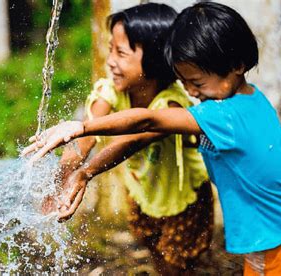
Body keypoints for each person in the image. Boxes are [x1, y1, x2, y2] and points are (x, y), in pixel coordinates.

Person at [23, 2, 281, 275]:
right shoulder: (253, 98)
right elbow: (278, 137)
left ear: (238, 64)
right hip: (276, 228)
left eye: (196, 83)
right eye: (184, 81)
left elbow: (147, 119)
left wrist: (81, 128)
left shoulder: (222, 114)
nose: (192, 93)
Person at [37, 3, 213, 275]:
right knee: (153, 247)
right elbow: (86, 136)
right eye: (110, 50)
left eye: (121, 53)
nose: (110, 61)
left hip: (184, 198)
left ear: (154, 59)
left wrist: (87, 173)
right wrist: (62, 177)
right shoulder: (111, 90)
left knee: (176, 263)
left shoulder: (172, 105)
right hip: (142, 189)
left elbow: (133, 141)